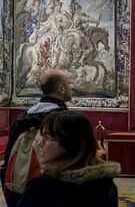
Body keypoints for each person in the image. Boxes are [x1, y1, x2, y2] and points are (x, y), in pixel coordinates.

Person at [0, 69, 73, 207]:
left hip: (20, 192)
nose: (73, 85)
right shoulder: (64, 120)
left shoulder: (22, 117)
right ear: (61, 89)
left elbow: (9, 158)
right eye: (70, 82)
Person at [16, 111, 120, 207]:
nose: (39, 143)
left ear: (69, 144)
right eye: (41, 136)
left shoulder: (42, 188)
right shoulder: (108, 186)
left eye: (47, 138)